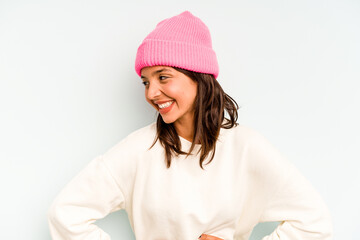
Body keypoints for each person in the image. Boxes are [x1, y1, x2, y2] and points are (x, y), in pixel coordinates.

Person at [47, 11, 333, 240]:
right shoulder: (138, 151)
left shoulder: (246, 148)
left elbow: (314, 222)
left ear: (198, 77)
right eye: (146, 82)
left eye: (163, 77)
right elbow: (66, 213)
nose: (151, 93)